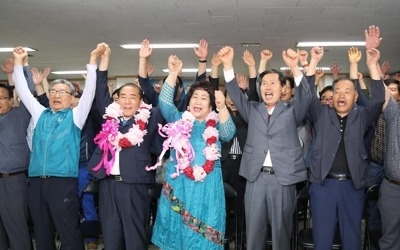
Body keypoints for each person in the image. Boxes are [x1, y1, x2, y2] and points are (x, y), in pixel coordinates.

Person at [219, 46, 312, 250]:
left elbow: (307, 96)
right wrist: (227, 65)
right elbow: (234, 92)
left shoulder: (292, 110)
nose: (267, 87)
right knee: (253, 233)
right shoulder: (252, 109)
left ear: (283, 89)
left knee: (281, 232)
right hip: (255, 179)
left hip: (283, 179)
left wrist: (295, 68)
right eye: (264, 84)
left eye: (273, 83)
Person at [12, 44, 100, 250]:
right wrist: (19, 63)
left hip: (62, 182)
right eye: (53, 91)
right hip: (35, 183)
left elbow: (89, 94)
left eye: (62, 92)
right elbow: (24, 91)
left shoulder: (76, 117)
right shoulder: (39, 113)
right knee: (41, 232)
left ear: (71, 98)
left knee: (68, 231)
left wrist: (93, 62)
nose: (56, 95)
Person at [305, 26, 385, 250]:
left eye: (347, 91)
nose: (341, 95)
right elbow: (308, 98)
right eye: (337, 91)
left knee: (352, 240)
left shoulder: (361, 116)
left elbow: (378, 99)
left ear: (356, 96)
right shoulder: (321, 115)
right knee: (322, 240)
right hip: (323, 186)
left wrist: (371, 64)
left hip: (353, 186)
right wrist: (313, 62)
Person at [150, 55, 236, 250]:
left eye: (204, 98)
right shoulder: (179, 118)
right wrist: (173, 74)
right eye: (195, 97)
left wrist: (222, 107)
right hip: (179, 184)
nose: (198, 101)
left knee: (204, 240)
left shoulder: (214, 124)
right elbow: (164, 103)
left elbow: (229, 133)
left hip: (207, 188)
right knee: (177, 236)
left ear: (211, 104)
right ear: (188, 102)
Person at [88, 75, 164, 249]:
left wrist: (147, 78)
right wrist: (103, 65)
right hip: (108, 186)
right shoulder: (109, 120)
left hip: (134, 187)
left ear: (140, 102)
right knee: (110, 237)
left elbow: (163, 105)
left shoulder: (148, 120)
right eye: (123, 96)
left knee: (134, 238)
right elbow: (100, 94)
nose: (127, 101)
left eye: (132, 97)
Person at [0, 82, 32, 250]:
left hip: (12, 181)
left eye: (1, 98)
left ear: (10, 100)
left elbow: (28, 95)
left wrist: (17, 72)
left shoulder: (19, 115)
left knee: (17, 230)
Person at [379, 70, 400, 250]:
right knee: (390, 238)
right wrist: (372, 63)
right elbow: (384, 93)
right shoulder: (395, 114)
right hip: (393, 187)